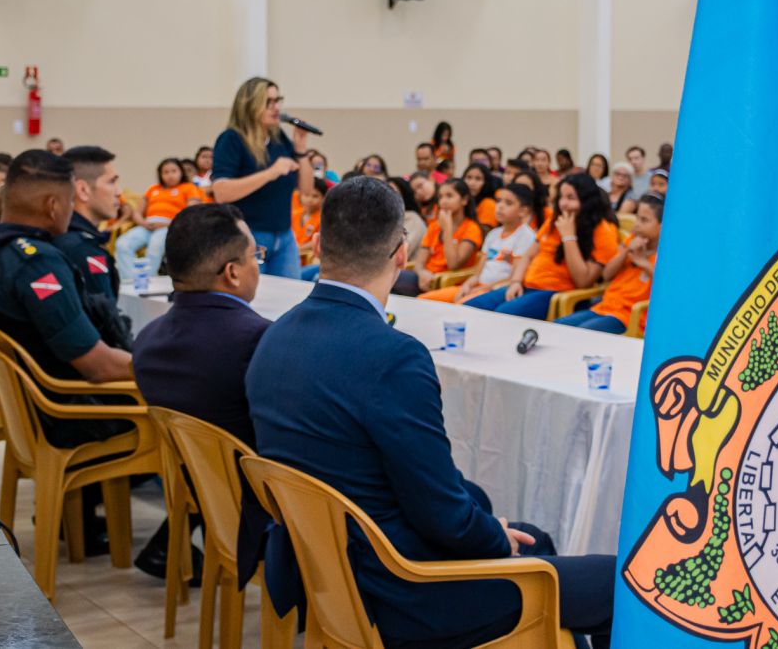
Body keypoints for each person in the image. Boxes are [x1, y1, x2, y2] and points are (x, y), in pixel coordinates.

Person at [248, 177, 614, 648]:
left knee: (529, 538)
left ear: (317, 245)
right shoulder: (393, 356)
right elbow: (443, 516)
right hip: (406, 588)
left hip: (322, 572)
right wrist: (493, 536)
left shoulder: (272, 339)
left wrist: (487, 527)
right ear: (402, 254)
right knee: (619, 583)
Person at [0, 150, 134, 448]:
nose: (72, 211)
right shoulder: (38, 264)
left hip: (25, 407)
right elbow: (98, 366)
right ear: (53, 205)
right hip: (70, 415)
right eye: (70, 202)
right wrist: (163, 367)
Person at [132, 203, 270, 584]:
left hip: (204, 498)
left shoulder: (147, 341)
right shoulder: (259, 341)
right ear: (232, 272)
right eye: (255, 256)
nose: (258, 265)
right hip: (262, 515)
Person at [466, 174, 619, 320]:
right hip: (527, 285)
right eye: (561, 197)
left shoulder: (604, 231)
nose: (563, 203)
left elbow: (583, 281)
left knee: (503, 315)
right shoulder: (554, 220)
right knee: (471, 307)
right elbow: (528, 256)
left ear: (587, 201)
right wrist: (516, 281)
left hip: (557, 292)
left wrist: (568, 237)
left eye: (571, 198)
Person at [210, 77, 315, 279]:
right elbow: (222, 192)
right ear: (250, 105)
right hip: (248, 236)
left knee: (290, 295)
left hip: (284, 236)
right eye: (268, 102)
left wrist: (301, 150)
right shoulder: (232, 139)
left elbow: (307, 190)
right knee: (253, 296)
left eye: (278, 100)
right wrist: (270, 173)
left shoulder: (278, 138)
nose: (276, 107)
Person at [55, 146, 132, 350]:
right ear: (82, 190)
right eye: (111, 182)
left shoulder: (61, 235)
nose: (119, 192)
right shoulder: (83, 250)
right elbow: (106, 328)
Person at [557, 193, 662, 333]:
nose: (637, 225)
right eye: (637, 218)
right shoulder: (632, 240)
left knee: (581, 333)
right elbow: (606, 274)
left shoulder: (666, 255)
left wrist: (643, 263)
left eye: (644, 220)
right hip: (606, 307)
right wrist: (626, 251)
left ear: (662, 226)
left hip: (629, 316)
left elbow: (665, 289)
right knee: (557, 326)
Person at [420, 184, 537, 305]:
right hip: (478, 287)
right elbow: (477, 273)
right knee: (423, 300)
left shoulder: (526, 236)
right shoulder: (493, 234)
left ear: (523, 211)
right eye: (498, 201)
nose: (500, 206)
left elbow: (512, 279)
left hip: (497, 290)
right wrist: (467, 285)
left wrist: (481, 289)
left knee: (461, 305)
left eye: (508, 203)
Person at [114, 158, 203, 280]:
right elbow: (137, 213)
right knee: (122, 244)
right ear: (160, 174)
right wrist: (143, 223)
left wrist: (167, 224)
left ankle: (148, 279)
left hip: (171, 226)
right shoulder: (153, 189)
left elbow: (190, 212)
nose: (170, 175)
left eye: (174, 171)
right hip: (148, 225)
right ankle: (129, 280)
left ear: (181, 172)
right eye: (166, 172)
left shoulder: (189, 187)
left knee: (155, 245)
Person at [393, 179, 483, 296]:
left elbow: (453, 264)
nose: (443, 201)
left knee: (390, 279)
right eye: (440, 197)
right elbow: (419, 262)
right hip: (426, 278)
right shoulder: (434, 226)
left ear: (464, 200)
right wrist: (422, 273)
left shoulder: (472, 229)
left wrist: (447, 229)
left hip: (448, 282)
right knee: (387, 275)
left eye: (449, 196)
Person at [386, 177, 429, 261]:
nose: (387, 197)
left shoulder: (412, 219)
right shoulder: (383, 219)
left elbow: (401, 253)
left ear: (403, 196)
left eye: (393, 192)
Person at [294, 177, 328, 260]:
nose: (309, 200)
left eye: (315, 196)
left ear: (324, 198)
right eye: (306, 195)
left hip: (311, 258)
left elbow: (321, 239)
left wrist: (298, 248)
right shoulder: (294, 214)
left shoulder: (325, 217)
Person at [462, 163, 501, 228]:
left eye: (478, 179)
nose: (472, 183)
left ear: (486, 182)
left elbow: (484, 232)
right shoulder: (461, 201)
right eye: (469, 177)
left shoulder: (489, 204)